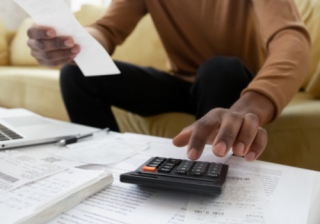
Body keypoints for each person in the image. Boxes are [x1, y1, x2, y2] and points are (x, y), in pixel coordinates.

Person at [26, 0, 310, 162]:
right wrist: (72, 43)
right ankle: (103, 165)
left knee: (218, 68)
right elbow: (106, 30)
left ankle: (206, 174)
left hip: (232, 88)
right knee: (76, 75)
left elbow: (291, 38)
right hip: (180, 85)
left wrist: (250, 105)